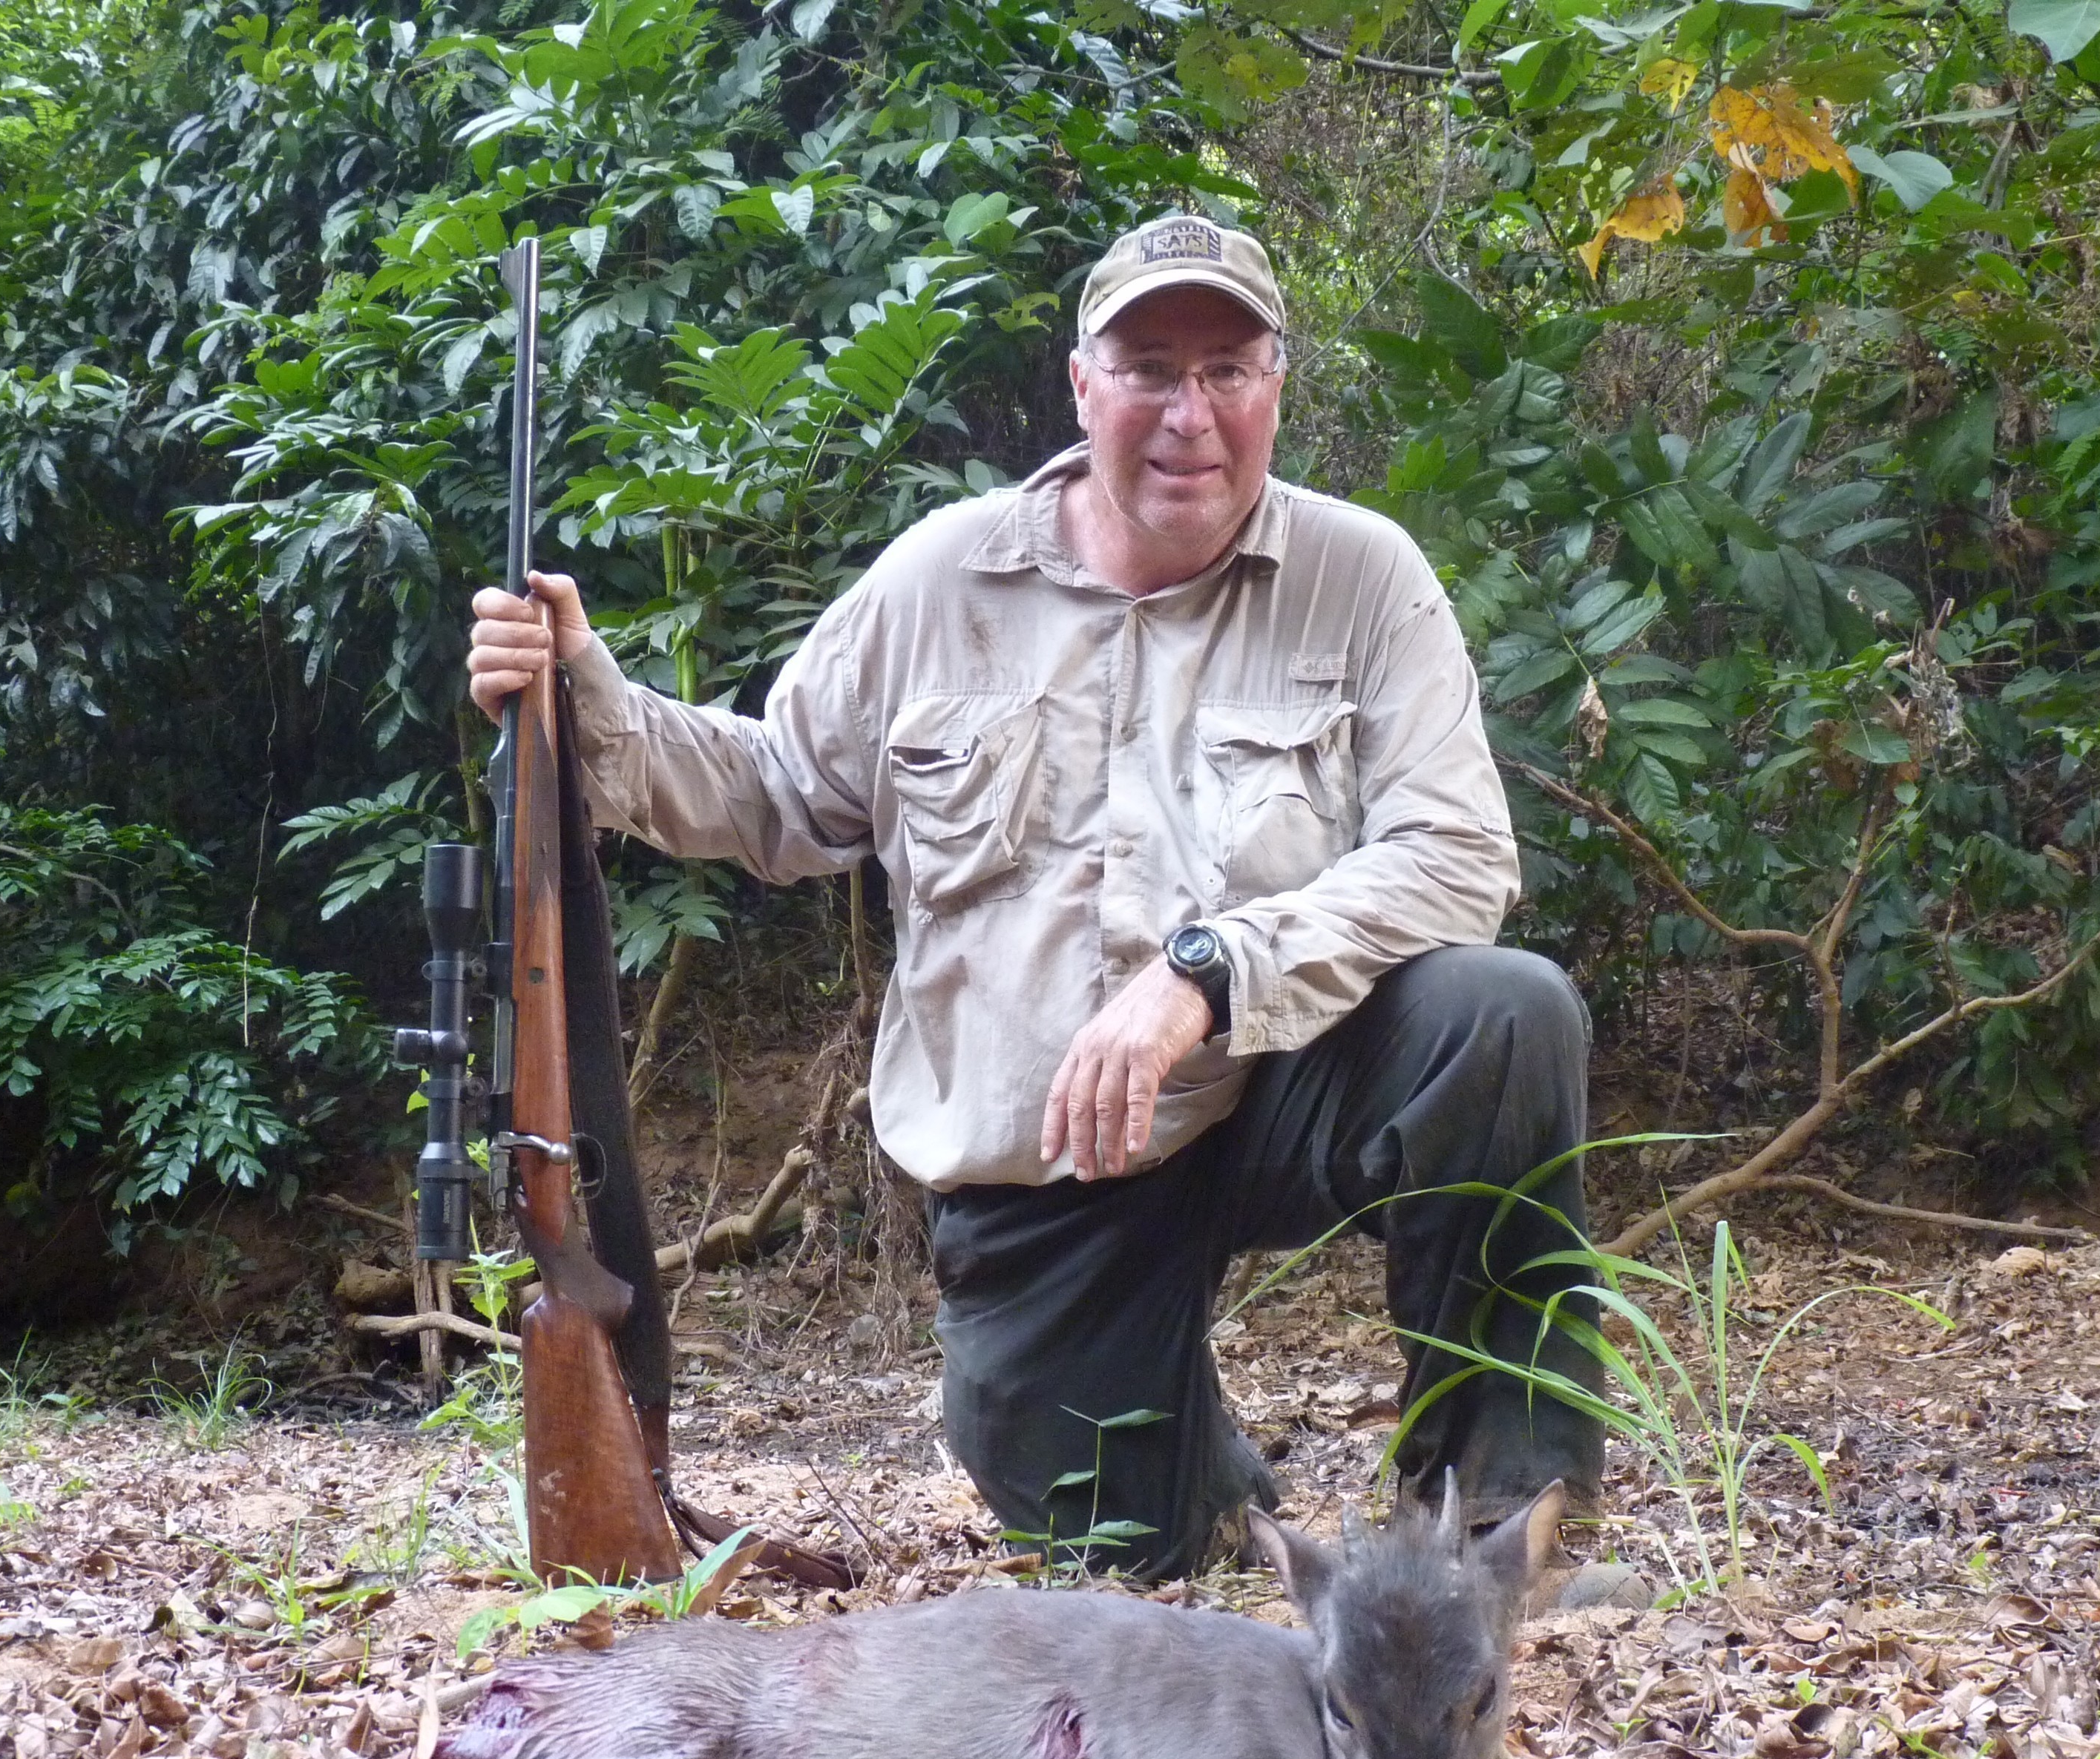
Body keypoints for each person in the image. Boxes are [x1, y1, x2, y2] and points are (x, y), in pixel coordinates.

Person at [467, 211, 1599, 1576]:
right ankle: (1206, 1473)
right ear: (1082, 387)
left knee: (1504, 1013)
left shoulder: (1365, 578)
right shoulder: (944, 577)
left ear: (1276, 388)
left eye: (1228, 371)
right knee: (1131, 1544)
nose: (1191, 415)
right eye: (1150, 369)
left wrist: (1205, 975)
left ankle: (1493, 1526)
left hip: (1277, 1082)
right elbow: (776, 796)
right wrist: (586, 695)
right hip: (1050, 1170)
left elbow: (1459, 853)